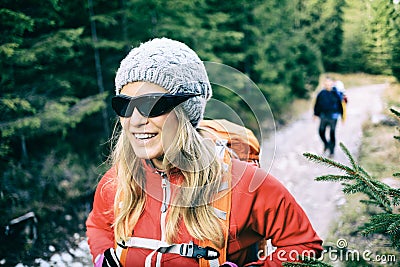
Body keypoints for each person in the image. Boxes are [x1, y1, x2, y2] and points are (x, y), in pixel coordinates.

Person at [86, 38, 323, 267]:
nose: (135, 120)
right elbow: (98, 225)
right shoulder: (117, 181)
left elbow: (305, 246)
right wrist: (103, 257)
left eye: (151, 105)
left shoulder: (244, 183)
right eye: (125, 105)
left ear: (186, 111)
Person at [314, 77, 344, 156]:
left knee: (332, 133)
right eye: (326, 83)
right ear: (324, 84)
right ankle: (326, 144)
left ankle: (332, 151)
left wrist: (342, 116)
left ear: (332, 84)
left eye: (330, 83)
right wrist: (316, 114)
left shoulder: (336, 93)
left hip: (333, 116)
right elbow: (317, 104)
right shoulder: (321, 93)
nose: (328, 85)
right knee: (321, 131)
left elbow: (341, 105)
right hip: (324, 115)